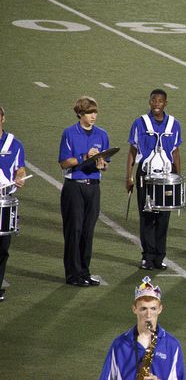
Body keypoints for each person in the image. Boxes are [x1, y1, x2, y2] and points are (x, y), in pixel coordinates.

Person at [126, 89, 182, 270]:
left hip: (166, 175)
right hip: (145, 174)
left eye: (160, 101)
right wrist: (129, 175)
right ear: (149, 102)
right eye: (154, 100)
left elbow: (175, 152)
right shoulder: (140, 122)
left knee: (164, 216)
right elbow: (133, 150)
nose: (157, 104)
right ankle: (147, 256)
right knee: (147, 215)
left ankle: (160, 256)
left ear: (166, 103)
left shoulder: (174, 124)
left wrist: (178, 177)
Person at [58, 97, 110, 287]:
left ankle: (85, 272)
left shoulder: (102, 134)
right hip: (74, 187)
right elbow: (64, 162)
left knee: (88, 231)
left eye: (95, 112)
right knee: (75, 230)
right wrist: (84, 157)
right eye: (89, 112)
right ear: (80, 113)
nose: (93, 116)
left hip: (94, 187)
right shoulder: (69, 133)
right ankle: (73, 275)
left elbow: (105, 165)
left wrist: (102, 164)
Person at [100, 276, 185, 380]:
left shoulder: (172, 345)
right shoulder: (119, 344)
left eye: (153, 308)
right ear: (134, 309)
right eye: (143, 308)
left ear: (160, 309)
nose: (148, 315)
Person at [0, 106, 27, 302]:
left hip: (4, 200)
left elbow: (20, 169)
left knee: (2, 248)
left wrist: (20, 177)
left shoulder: (14, 144)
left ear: (3, 118)